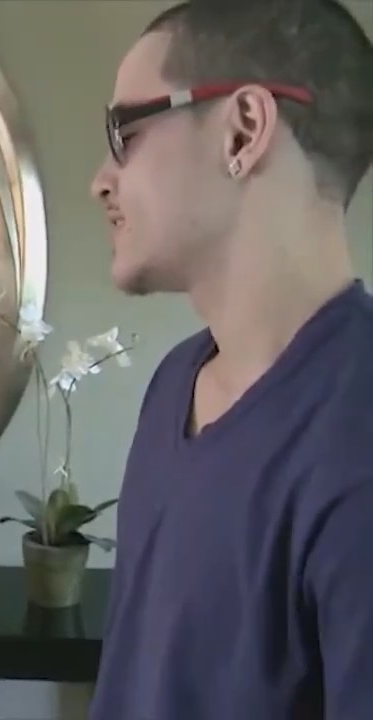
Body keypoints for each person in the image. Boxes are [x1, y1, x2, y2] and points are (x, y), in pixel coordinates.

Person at [88, 2, 372, 719]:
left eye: (125, 134)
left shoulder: (357, 439)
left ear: (243, 130)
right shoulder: (174, 384)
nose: (101, 180)